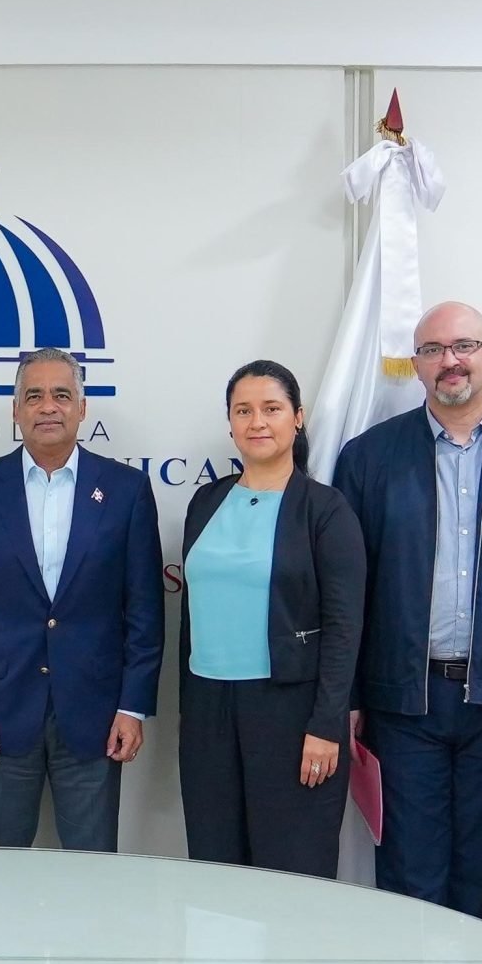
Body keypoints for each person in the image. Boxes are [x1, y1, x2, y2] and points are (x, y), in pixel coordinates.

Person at [332, 302, 482, 915]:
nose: (450, 361)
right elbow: (347, 588)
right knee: (409, 872)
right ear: (415, 365)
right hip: (404, 701)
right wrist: (352, 694)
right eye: (434, 349)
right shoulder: (368, 459)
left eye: (464, 345)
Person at [0, 347, 164, 851]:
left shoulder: (126, 490)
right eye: (33, 396)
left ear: (83, 409)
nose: (48, 407)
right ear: (15, 410)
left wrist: (133, 706)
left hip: (96, 715)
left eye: (62, 395)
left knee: (92, 875)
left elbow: (144, 609)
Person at [178, 359, 365, 877]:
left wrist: (327, 725)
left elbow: (345, 627)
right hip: (208, 712)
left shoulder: (326, 510)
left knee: (292, 873)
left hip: (291, 714)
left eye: (271, 409)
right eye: (243, 410)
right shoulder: (206, 501)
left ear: (298, 417)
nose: (257, 421)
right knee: (217, 869)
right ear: (230, 423)